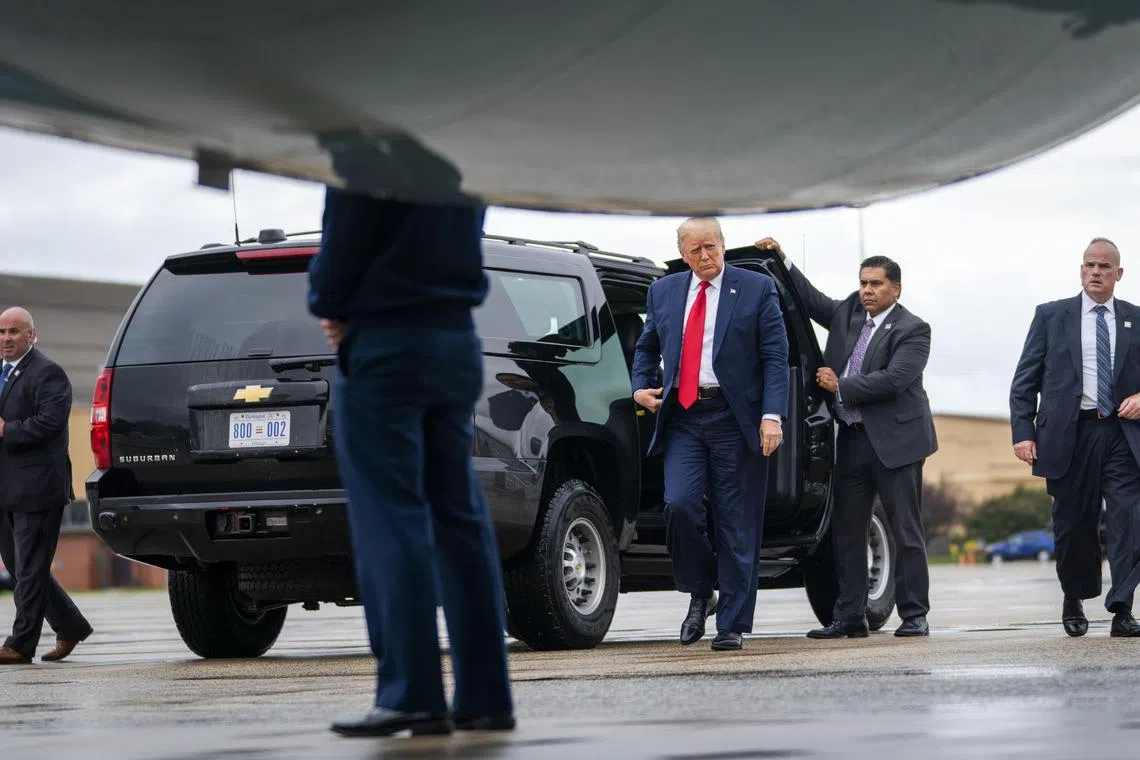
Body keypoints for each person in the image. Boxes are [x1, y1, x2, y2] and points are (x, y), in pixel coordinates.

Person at [309, 188, 514, 736]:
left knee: (390, 517)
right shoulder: (457, 159)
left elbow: (343, 244)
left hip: (385, 341)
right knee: (460, 519)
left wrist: (330, 304)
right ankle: (486, 694)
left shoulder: (366, 149)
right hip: (455, 340)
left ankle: (410, 692)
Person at [755, 238, 937, 639]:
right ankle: (850, 616)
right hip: (852, 440)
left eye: (875, 284)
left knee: (906, 531)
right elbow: (810, 300)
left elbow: (894, 380)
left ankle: (914, 614)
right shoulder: (849, 314)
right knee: (846, 532)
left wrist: (841, 385)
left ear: (896, 289)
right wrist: (781, 260)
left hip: (897, 443)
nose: (867, 290)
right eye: (863, 283)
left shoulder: (913, 329)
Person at [632, 217, 789, 651]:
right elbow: (646, 347)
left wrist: (772, 416)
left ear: (723, 245)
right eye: (696, 249)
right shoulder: (663, 291)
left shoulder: (756, 288)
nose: (706, 256)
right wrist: (639, 388)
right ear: (684, 254)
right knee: (679, 505)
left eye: (712, 246)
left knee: (737, 523)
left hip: (734, 418)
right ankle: (702, 590)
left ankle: (732, 625)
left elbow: (776, 357)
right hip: (682, 415)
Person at [1009, 237, 1140, 638]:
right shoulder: (1051, 316)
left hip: (1121, 434)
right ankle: (1073, 596)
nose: (1096, 272)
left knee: (1128, 519)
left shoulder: (1136, 318)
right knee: (1073, 526)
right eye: (1089, 265)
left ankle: (1121, 608)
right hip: (1070, 434)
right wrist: (1023, 432)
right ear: (1081, 271)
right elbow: (1024, 381)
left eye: (1104, 266)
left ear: (1119, 274)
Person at [0, 307, 93, 664]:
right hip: (7, 490)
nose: (7, 338)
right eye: (3, 331)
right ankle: (70, 626)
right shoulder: (2, 373)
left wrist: (8, 429)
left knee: (29, 570)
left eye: (14, 331)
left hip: (38, 490)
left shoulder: (48, 373)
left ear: (31, 336)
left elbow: (50, 423)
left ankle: (20, 644)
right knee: (23, 569)